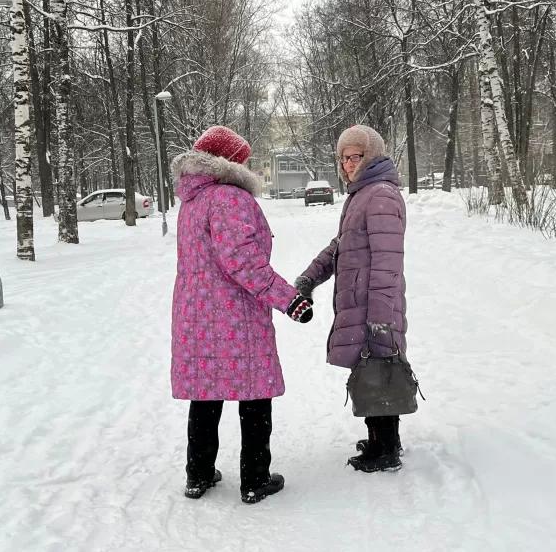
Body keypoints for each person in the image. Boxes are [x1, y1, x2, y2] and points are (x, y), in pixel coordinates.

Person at [170, 125, 313, 504]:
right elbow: (244, 263)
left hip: (194, 317)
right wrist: (289, 299)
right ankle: (255, 478)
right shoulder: (230, 199)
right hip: (236, 317)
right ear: (231, 163)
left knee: (205, 394)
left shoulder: (191, 202)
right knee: (254, 396)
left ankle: (198, 475)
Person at [294, 124, 408, 473]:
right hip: (362, 300)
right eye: (343, 157)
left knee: (380, 365)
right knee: (370, 367)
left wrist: (380, 316)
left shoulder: (381, 195)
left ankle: (386, 450)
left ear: (370, 155)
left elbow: (388, 262)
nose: (347, 163)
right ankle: (382, 439)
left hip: (376, 302)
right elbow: (340, 246)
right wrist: (309, 277)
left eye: (355, 156)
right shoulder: (362, 194)